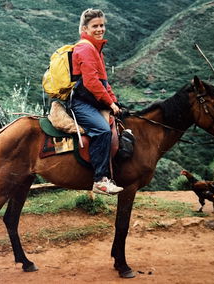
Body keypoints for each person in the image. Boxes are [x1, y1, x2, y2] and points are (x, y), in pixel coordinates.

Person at [70, 8, 123, 195]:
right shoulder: (85, 48)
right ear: (85, 28)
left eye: (102, 25)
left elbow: (104, 82)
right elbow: (91, 82)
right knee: (102, 130)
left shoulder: (96, 49)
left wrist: (115, 101)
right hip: (81, 102)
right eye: (95, 26)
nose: (100, 29)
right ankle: (100, 180)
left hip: (92, 100)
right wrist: (109, 103)